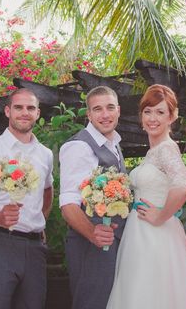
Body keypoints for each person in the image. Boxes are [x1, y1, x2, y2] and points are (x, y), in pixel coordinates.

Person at [107, 84, 186, 309]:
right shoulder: (152, 152)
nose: (152, 118)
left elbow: (184, 186)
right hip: (140, 234)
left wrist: (161, 216)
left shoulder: (166, 148)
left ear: (172, 116)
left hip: (155, 234)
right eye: (148, 111)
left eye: (160, 112)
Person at [0, 88, 53, 309]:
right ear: (7, 111)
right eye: (18, 107)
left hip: (35, 249)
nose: (24, 113)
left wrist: (40, 218)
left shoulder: (45, 154)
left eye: (30, 108)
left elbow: (47, 190)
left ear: (38, 113)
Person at [60, 86, 126, 309]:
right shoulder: (79, 146)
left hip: (112, 241)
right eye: (97, 109)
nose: (105, 114)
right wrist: (92, 234)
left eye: (109, 108)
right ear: (88, 115)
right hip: (91, 244)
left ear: (118, 110)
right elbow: (68, 203)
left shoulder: (114, 144)